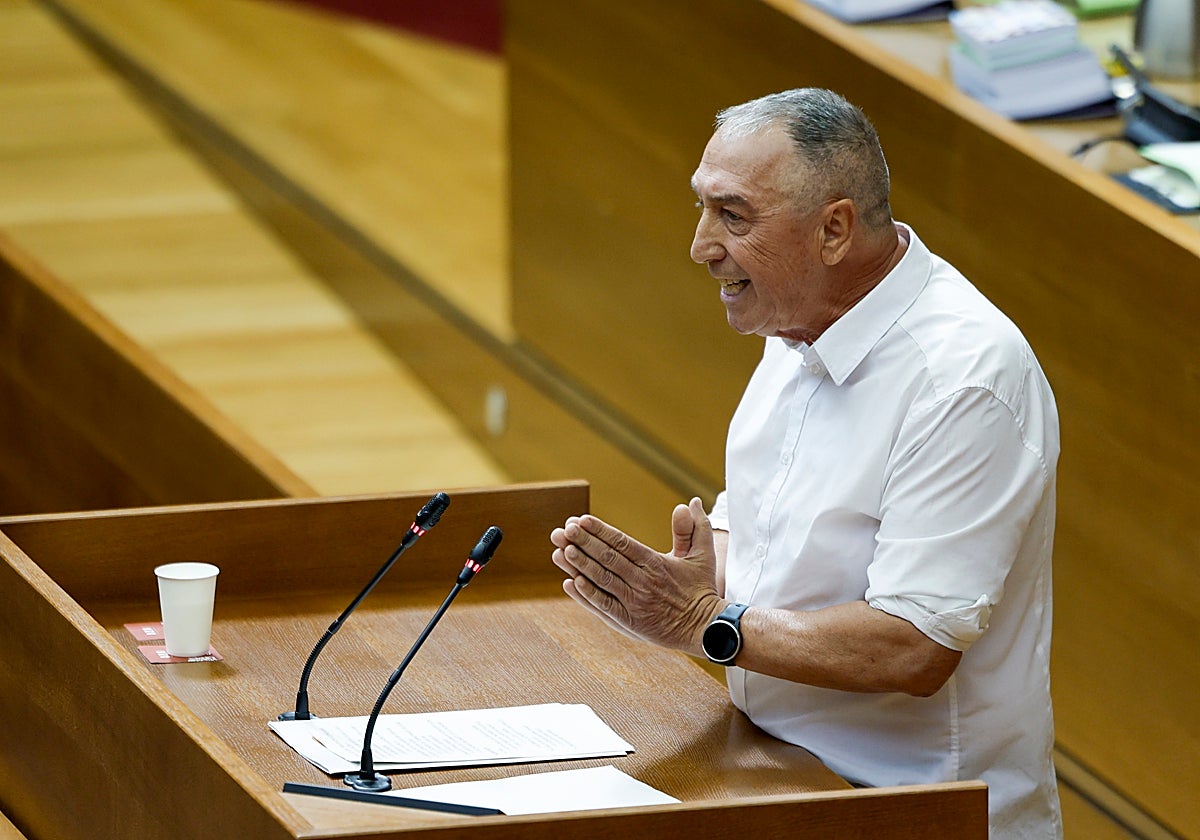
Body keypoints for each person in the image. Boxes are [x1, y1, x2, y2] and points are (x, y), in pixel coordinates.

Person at [550, 88, 1061, 838]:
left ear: (833, 230)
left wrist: (704, 621)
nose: (700, 245)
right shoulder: (798, 318)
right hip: (774, 773)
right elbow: (760, 537)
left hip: (913, 809)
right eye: (701, 207)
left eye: (733, 215)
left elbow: (914, 646)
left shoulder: (965, 379)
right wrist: (680, 577)